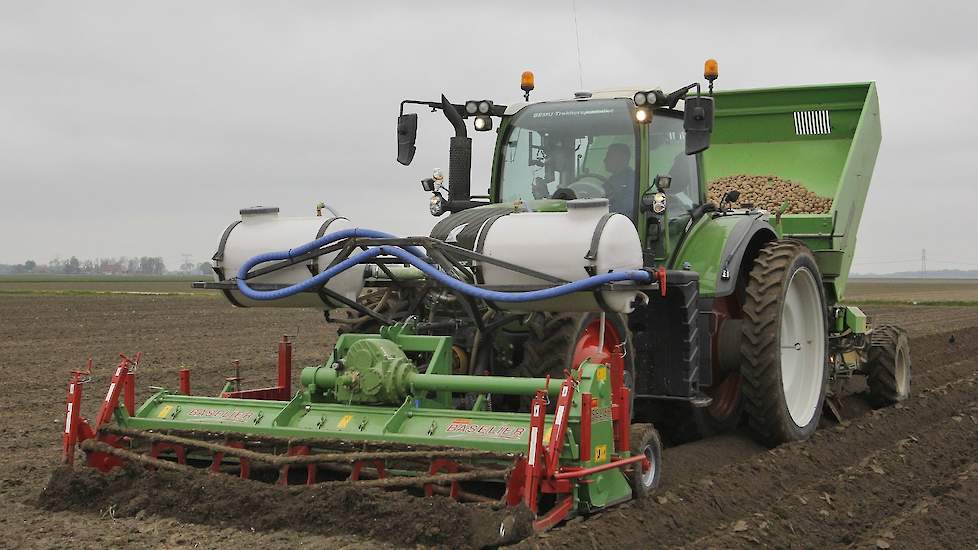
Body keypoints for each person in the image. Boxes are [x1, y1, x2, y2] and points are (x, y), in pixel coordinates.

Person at [603, 143, 635, 214]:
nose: (604, 160)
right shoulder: (611, 180)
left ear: (622, 158)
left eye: (609, 156)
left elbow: (627, 208)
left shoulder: (634, 181)